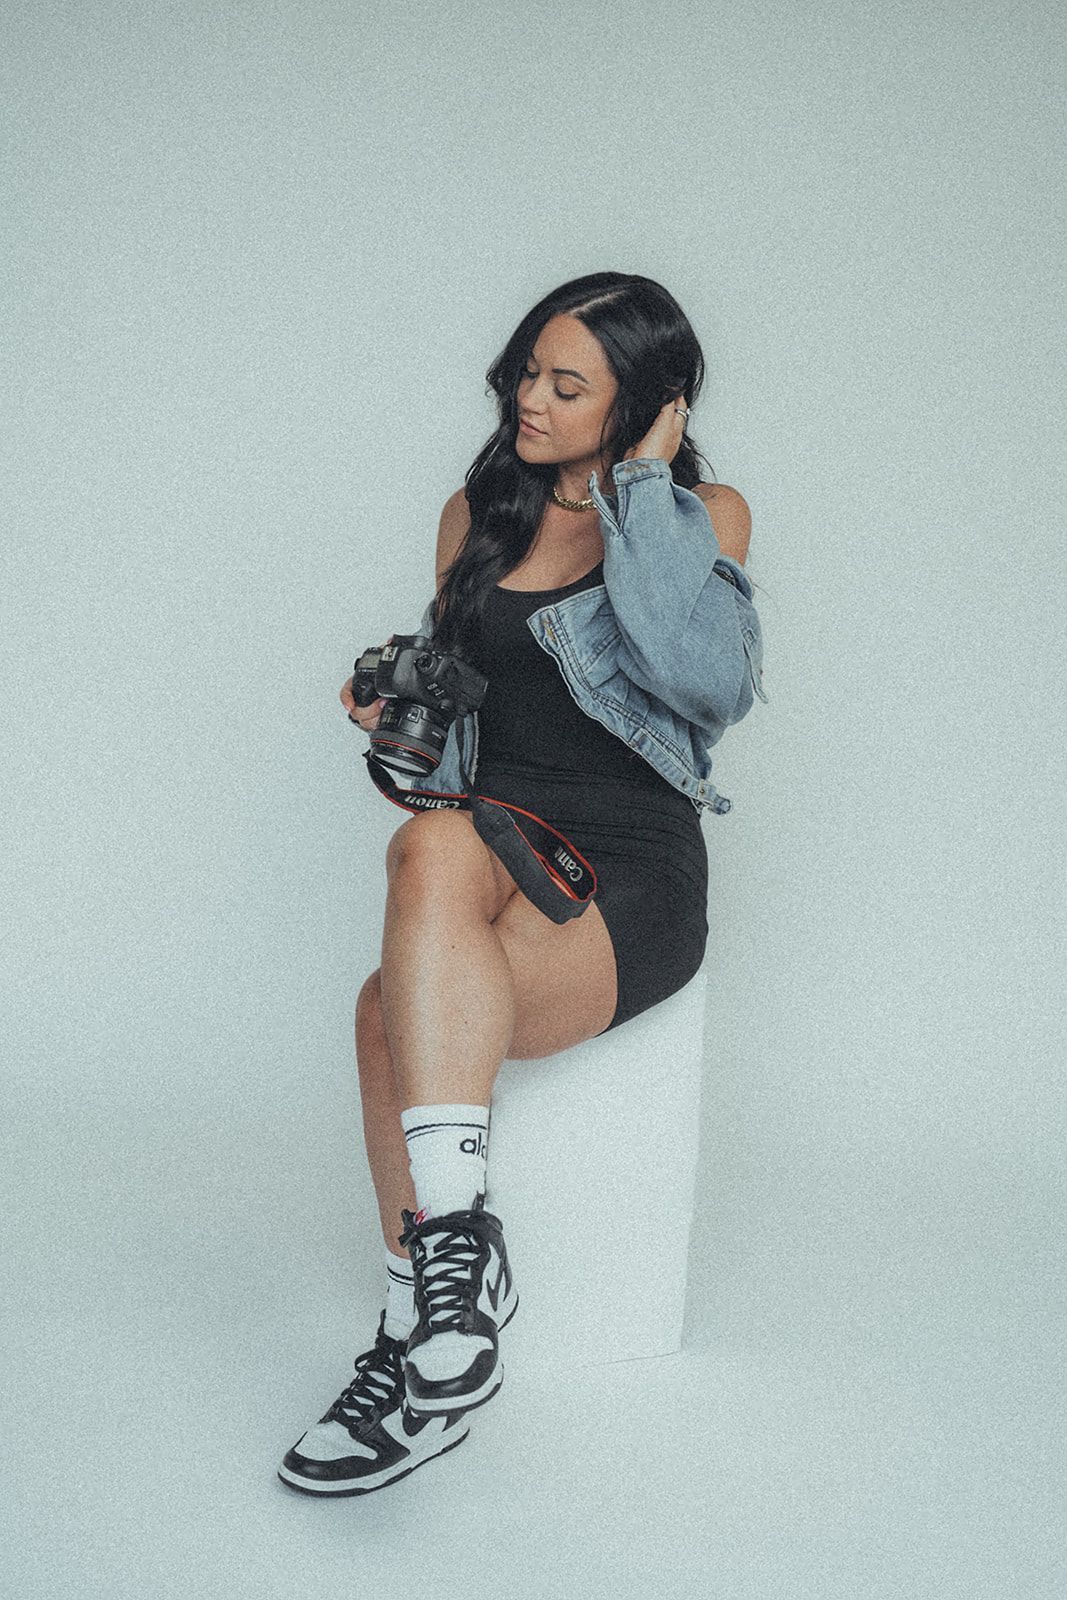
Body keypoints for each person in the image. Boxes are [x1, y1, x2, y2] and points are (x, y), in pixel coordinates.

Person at [278, 272, 768, 1497]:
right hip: (501, 842)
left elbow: (692, 675)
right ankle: (435, 1314)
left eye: (567, 383)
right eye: (522, 371)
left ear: (649, 402)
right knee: (431, 858)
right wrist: (401, 710)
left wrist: (643, 483)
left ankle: (426, 1311)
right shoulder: (471, 516)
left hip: (634, 876)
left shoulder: (704, 512)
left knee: (387, 1012)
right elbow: (459, 766)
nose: (527, 400)